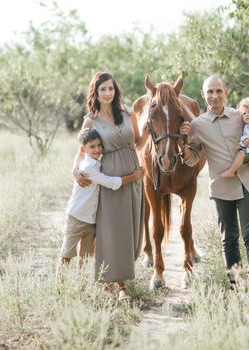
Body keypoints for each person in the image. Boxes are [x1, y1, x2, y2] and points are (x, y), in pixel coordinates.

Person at [179, 75, 249, 288]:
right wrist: (183, 144)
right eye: (210, 91)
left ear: (225, 93)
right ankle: (236, 286)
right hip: (221, 187)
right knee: (229, 240)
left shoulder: (240, 116)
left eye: (219, 91)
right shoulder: (197, 125)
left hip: (248, 184)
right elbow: (192, 159)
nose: (215, 96)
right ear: (203, 94)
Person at [72, 72, 144, 301]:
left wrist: (151, 129)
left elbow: (138, 142)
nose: (107, 93)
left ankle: (119, 276)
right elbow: (81, 150)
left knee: (132, 229)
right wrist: (75, 170)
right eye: (103, 89)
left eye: (111, 89)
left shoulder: (126, 112)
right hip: (110, 176)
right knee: (113, 230)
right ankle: (118, 284)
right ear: (96, 92)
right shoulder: (91, 120)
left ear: (115, 91)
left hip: (134, 174)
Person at [60, 128, 144, 268]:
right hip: (77, 216)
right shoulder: (88, 167)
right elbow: (111, 182)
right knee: (66, 254)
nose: (97, 149)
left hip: (91, 220)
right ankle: (60, 288)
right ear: (83, 149)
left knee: (85, 258)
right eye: (92, 146)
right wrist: (133, 177)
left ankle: (81, 285)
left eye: (99, 145)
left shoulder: (99, 164)